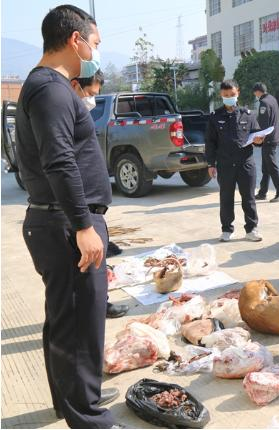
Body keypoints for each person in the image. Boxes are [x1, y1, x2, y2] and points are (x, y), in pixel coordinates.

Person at [14, 5, 122, 428]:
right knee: (79, 324)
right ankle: (89, 417)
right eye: (94, 43)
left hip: (59, 220)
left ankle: (73, 399)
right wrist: (83, 225)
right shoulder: (52, 90)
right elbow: (59, 161)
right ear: (75, 40)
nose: (96, 53)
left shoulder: (47, 87)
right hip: (65, 224)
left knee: (67, 319)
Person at [70, 70, 129, 319]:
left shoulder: (79, 115)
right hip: (84, 211)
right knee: (87, 272)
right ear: (75, 86)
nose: (93, 100)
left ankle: (99, 304)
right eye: (91, 93)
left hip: (94, 209)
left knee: (96, 269)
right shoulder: (64, 117)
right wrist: (84, 223)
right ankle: (92, 311)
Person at [206, 79, 265, 242]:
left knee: (249, 198)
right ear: (221, 95)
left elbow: (257, 136)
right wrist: (210, 164)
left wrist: (259, 140)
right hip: (225, 164)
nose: (229, 97)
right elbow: (210, 143)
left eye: (232, 94)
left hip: (246, 163)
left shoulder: (248, 115)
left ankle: (251, 229)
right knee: (226, 198)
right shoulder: (215, 117)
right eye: (225, 95)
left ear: (238, 92)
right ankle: (227, 229)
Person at [253, 82, 279, 202]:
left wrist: (258, 137)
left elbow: (263, 123)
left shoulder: (264, 103)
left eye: (255, 93)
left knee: (272, 167)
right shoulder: (272, 99)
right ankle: (263, 192)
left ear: (257, 92)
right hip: (273, 137)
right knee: (266, 167)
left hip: (268, 139)